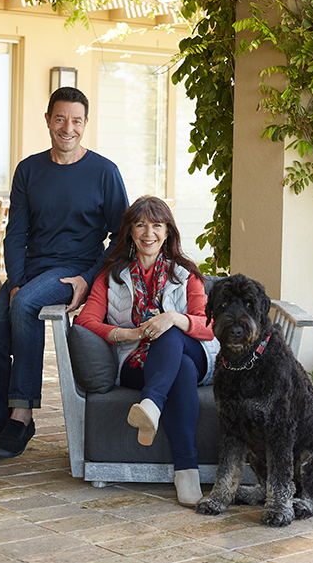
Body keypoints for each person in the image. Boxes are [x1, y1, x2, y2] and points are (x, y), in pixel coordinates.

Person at [0, 86, 128, 465]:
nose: (67, 128)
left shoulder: (105, 172)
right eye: (60, 118)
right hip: (31, 270)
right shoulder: (29, 170)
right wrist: (17, 279)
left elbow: (120, 238)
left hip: (74, 268)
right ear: (47, 120)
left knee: (25, 304)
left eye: (76, 120)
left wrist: (88, 279)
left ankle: (22, 416)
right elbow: (17, 232)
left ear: (85, 124)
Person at [76, 196, 219, 507]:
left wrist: (173, 318)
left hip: (193, 350)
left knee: (170, 335)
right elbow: (86, 320)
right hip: (136, 362)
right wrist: (126, 333)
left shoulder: (185, 274)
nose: (148, 232)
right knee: (179, 368)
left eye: (157, 225)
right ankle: (186, 472)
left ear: (168, 232)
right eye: (140, 224)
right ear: (130, 232)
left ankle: (151, 405)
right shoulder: (112, 276)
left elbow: (208, 326)